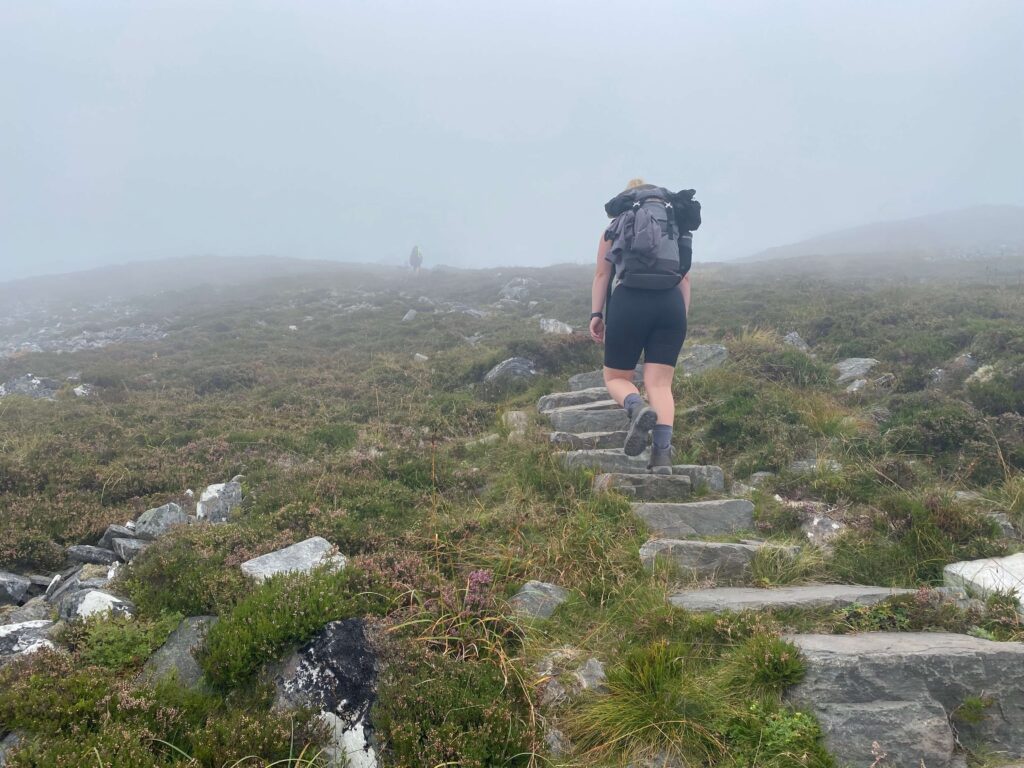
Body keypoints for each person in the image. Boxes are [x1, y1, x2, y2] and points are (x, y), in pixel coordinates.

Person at [589, 178, 693, 473]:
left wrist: (596, 314)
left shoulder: (617, 224)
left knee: (616, 378)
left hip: (629, 301)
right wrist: (679, 318)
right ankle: (662, 457)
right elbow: (684, 277)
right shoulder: (675, 225)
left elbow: (601, 275)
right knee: (660, 384)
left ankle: (636, 408)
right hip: (671, 304)